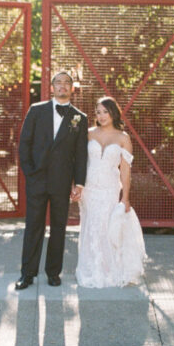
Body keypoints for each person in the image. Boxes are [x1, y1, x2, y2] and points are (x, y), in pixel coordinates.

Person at [15, 71, 88, 289]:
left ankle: (53, 273)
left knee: (59, 227)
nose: (63, 86)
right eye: (59, 82)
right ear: (52, 87)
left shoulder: (78, 118)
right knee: (33, 226)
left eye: (67, 83)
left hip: (61, 181)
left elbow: (81, 153)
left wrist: (79, 182)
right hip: (37, 180)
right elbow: (24, 143)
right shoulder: (36, 111)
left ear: (72, 88)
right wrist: (29, 171)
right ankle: (27, 274)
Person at [76, 96, 146, 288]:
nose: (101, 116)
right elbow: (79, 162)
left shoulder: (123, 138)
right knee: (91, 226)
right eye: (98, 112)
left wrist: (126, 198)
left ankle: (109, 269)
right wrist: (77, 185)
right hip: (89, 188)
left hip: (109, 188)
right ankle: (91, 268)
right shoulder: (88, 133)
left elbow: (125, 170)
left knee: (108, 227)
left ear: (113, 112)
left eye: (105, 111)